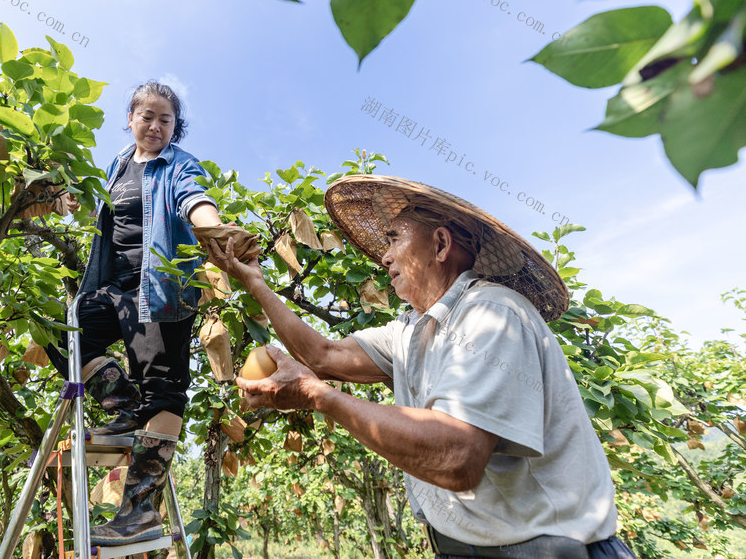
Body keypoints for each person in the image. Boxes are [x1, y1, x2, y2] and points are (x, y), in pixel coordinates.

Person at [209, 175, 637, 559]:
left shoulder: (491, 313)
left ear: (440, 244)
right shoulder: (412, 330)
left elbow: (457, 455)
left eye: (394, 239)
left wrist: (315, 396)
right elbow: (322, 355)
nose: (384, 257)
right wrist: (256, 282)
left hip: (545, 549)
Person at [45, 80, 221, 546]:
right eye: (147, 116)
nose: (155, 125)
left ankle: (139, 512)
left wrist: (217, 232)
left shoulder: (179, 165)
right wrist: (71, 202)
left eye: (166, 119)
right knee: (58, 331)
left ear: (174, 128)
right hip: (113, 286)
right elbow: (98, 212)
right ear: (131, 119)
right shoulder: (117, 165)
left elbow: (194, 198)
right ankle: (121, 404)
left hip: (162, 288)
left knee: (164, 389)